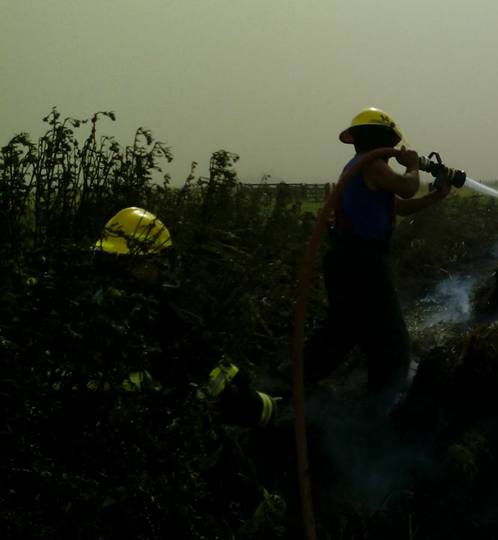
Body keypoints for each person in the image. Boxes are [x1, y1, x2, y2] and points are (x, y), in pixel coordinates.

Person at [91, 206, 283, 534]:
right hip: (160, 458)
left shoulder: (85, 307)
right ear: (146, 263)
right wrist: (265, 408)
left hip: (98, 460)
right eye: (159, 261)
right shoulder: (169, 325)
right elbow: (234, 400)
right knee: (223, 458)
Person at [306, 107, 450, 410]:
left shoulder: (362, 167)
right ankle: (384, 404)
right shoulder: (373, 166)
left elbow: (397, 207)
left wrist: (436, 196)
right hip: (363, 263)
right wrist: (412, 165)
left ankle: (298, 378)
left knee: (343, 328)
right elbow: (408, 188)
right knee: (390, 337)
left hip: (346, 260)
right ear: (385, 139)